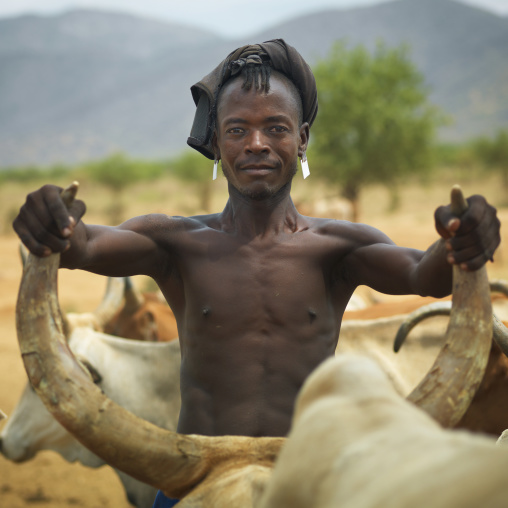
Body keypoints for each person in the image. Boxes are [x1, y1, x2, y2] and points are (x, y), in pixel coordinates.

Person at [13, 40, 500, 508]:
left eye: (276, 128)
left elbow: (424, 273)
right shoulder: (175, 243)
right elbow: (86, 244)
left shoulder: (340, 247)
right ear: (217, 142)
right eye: (238, 129)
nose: (257, 144)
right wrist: (54, 223)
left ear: (302, 138)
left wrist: (461, 240)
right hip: (197, 482)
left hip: (304, 480)